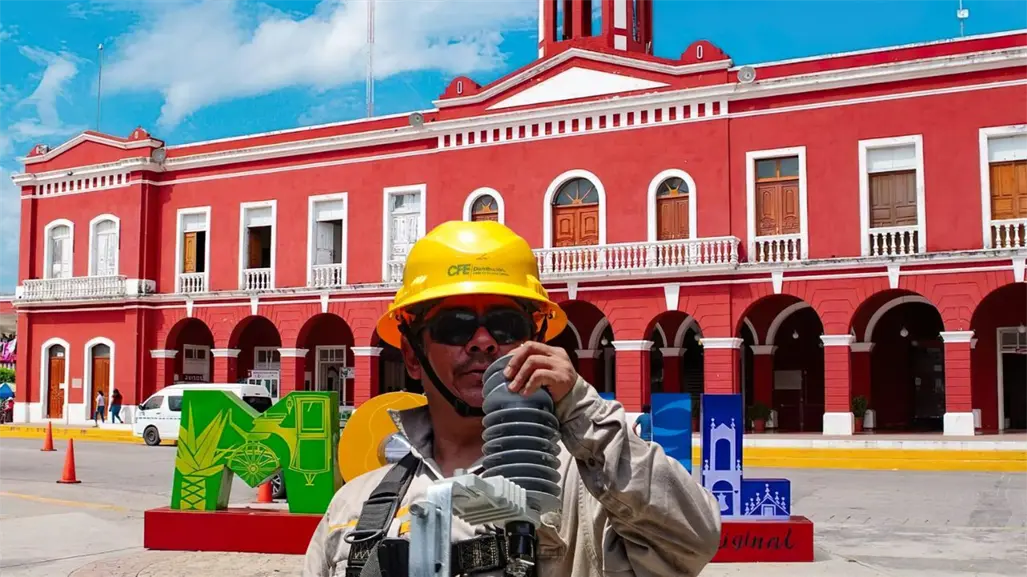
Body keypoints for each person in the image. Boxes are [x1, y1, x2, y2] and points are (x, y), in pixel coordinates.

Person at [302, 221, 721, 577]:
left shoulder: (587, 489)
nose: (483, 342)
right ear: (413, 354)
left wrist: (580, 407)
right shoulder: (356, 506)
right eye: (456, 324)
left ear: (535, 343)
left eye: (505, 325)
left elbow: (692, 540)